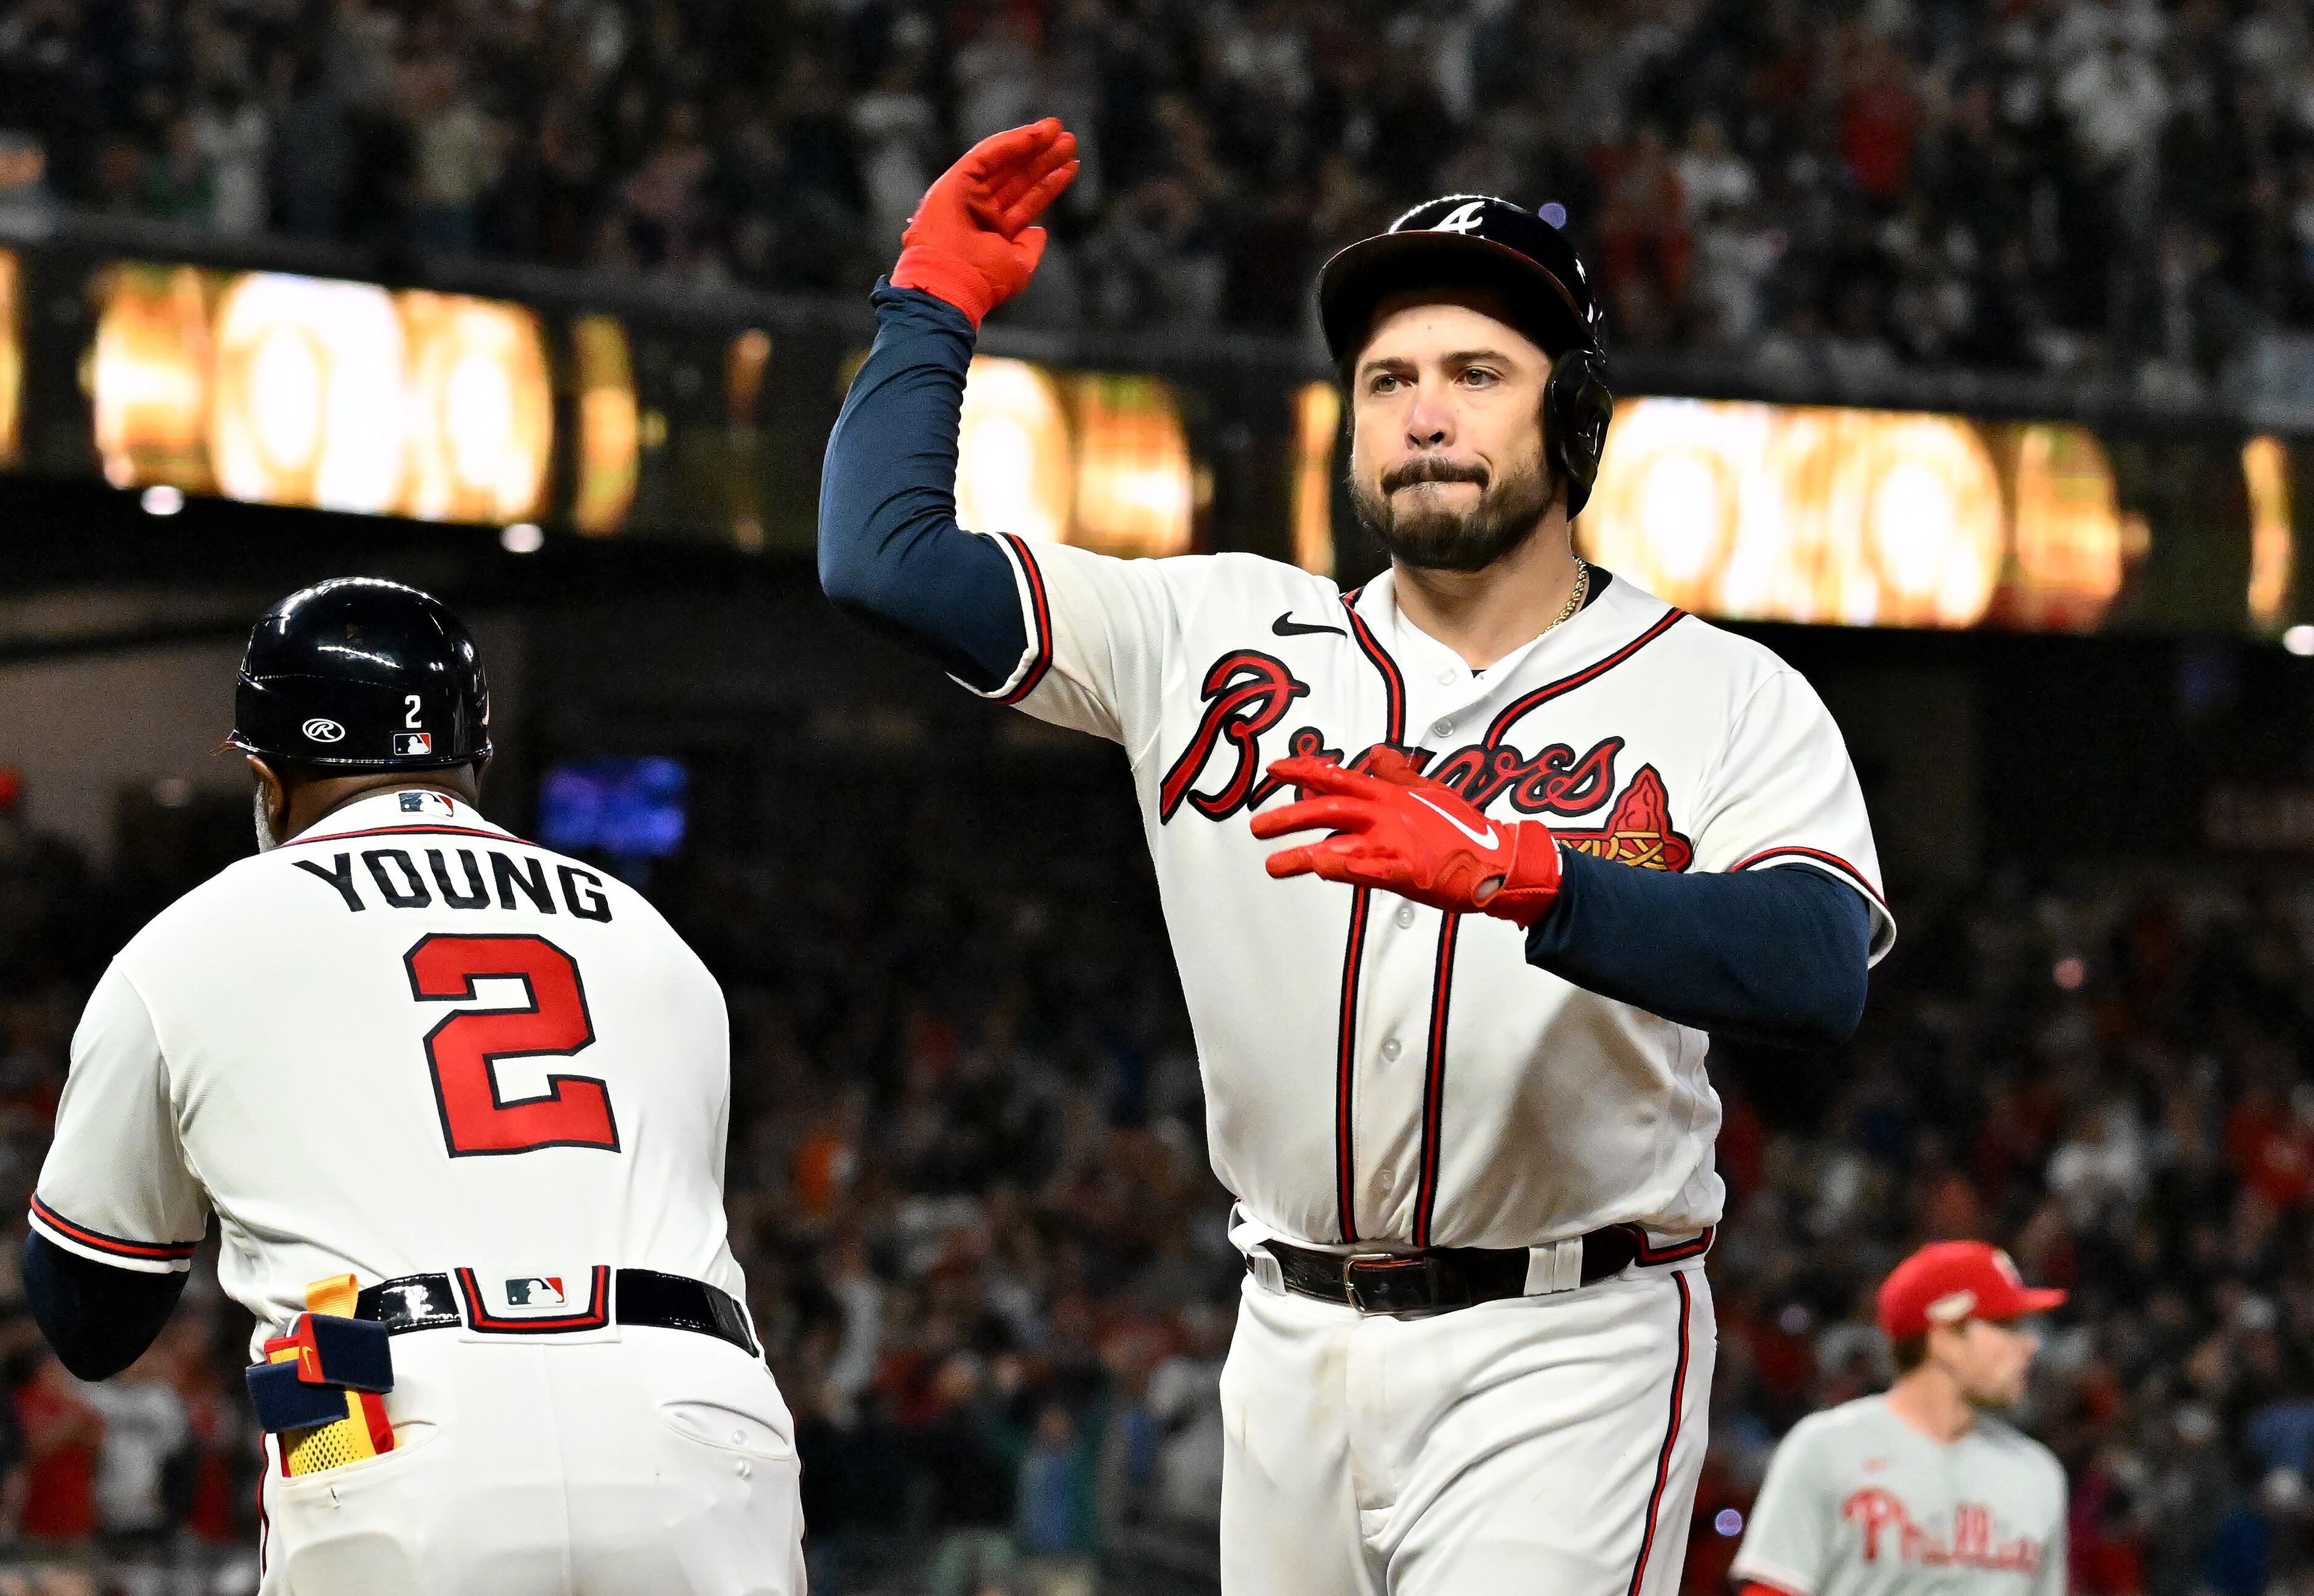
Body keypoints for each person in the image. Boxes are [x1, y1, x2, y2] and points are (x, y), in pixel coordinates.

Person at [819, 120, 1890, 1594]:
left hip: (1568, 1343)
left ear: (1574, 421)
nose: (1423, 414)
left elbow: (1815, 965)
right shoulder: (1207, 631)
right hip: (1286, 1337)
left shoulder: (1718, 690)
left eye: (1477, 375)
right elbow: (878, 559)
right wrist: (927, 304)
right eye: (1388, 380)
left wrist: (1530, 875)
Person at [21, 578, 803, 1595]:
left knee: (318, 1365)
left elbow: (91, 1316)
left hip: (380, 1397)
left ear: (268, 775)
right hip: (699, 1405)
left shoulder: (192, 940)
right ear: (476, 760)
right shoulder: (653, 938)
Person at [1731, 1242, 2069, 1595]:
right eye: (2007, 1325)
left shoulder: (2038, 1473)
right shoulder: (1828, 1449)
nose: (2030, 1344)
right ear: (1945, 1338)